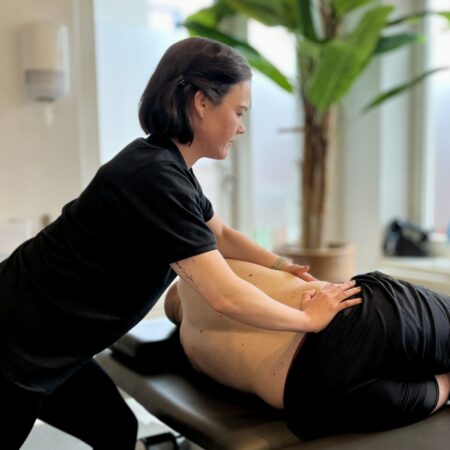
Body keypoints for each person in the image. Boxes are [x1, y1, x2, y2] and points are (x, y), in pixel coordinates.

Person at [0, 37, 361, 450]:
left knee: (115, 428)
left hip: (54, 346)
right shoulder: (155, 178)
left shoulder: (167, 166)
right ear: (202, 102)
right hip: (14, 349)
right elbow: (225, 296)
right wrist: (308, 320)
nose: (242, 127)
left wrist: (281, 265)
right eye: (238, 112)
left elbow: (220, 235)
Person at [164, 259, 450, 440]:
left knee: (441, 387)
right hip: (355, 316)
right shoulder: (209, 268)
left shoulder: (190, 346)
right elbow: (289, 273)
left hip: (312, 387)